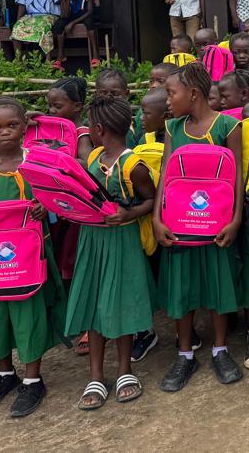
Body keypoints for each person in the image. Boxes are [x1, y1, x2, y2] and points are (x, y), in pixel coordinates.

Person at [0, 96, 67, 418]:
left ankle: (33, 379)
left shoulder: (40, 163)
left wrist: (45, 208)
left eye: (12, 125)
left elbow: (59, 203)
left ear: (25, 126)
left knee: (28, 312)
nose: (4, 131)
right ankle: (5, 373)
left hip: (30, 258)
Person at [154, 62, 243, 391]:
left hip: (217, 225)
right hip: (178, 225)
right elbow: (166, 172)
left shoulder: (228, 126)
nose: (167, 99)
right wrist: (156, 218)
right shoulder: (172, 128)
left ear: (193, 94)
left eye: (171, 93)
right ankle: (184, 354)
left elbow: (238, 176)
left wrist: (236, 219)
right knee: (182, 289)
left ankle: (220, 350)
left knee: (218, 286)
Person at [66, 96, 156, 409]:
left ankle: (124, 371)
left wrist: (128, 215)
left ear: (99, 129)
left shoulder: (134, 165)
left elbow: (151, 201)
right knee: (94, 302)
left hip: (122, 241)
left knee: (120, 304)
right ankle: (95, 376)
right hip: (93, 241)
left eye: (90, 125)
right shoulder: (93, 159)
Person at [55, 0, 99, 68]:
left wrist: (72, 23)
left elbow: (90, 11)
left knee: (89, 21)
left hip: (87, 14)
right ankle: (60, 55)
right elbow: (65, 14)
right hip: (73, 15)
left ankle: (96, 56)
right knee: (59, 24)